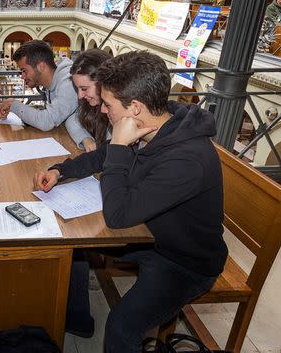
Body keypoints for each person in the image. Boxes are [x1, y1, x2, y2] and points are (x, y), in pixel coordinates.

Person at [33, 51, 227, 353]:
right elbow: (101, 155)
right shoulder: (156, 123)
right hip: (152, 236)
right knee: (76, 247)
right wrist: (60, 171)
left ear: (134, 107)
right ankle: (73, 316)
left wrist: (121, 148)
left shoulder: (188, 160)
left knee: (122, 327)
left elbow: (118, 215)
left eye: (108, 105)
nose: (104, 112)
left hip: (184, 261)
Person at [0, 40, 87, 146]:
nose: (22, 76)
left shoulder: (69, 82)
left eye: (24, 70)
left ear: (41, 66)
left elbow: (46, 121)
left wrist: (12, 104)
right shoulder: (55, 81)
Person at [66, 49, 112, 152]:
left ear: (102, 83)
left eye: (84, 89)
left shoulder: (118, 115)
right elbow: (72, 120)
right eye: (77, 88)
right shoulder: (92, 106)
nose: (80, 96)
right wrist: (85, 139)